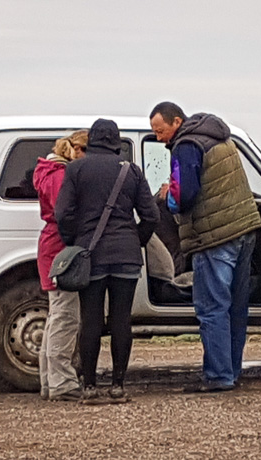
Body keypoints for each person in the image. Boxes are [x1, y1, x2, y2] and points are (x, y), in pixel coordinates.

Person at [149, 102, 261, 392]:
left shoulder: (185, 146)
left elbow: (184, 196)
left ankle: (218, 376)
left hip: (214, 236)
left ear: (177, 122)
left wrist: (167, 197)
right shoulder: (221, 138)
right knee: (236, 307)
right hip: (243, 228)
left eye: (160, 131)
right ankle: (232, 371)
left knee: (211, 308)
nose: (159, 137)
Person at [55, 118, 159, 403]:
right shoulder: (131, 171)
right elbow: (151, 216)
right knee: (121, 320)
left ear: (92, 140)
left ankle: (89, 387)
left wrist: (74, 242)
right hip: (126, 255)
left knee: (90, 320)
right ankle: (118, 385)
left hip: (91, 253)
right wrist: (135, 238)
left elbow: (63, 213)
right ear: (116, 141)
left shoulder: (75, 169)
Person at [35, 130, 88, 402]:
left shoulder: (49, 171)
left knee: (57, 314)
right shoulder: (59, 175)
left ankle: (50, 381)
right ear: (77, 150)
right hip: (60, 250)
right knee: (66, 317)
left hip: (51, 248)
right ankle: (62, 382)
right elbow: (64, 213)